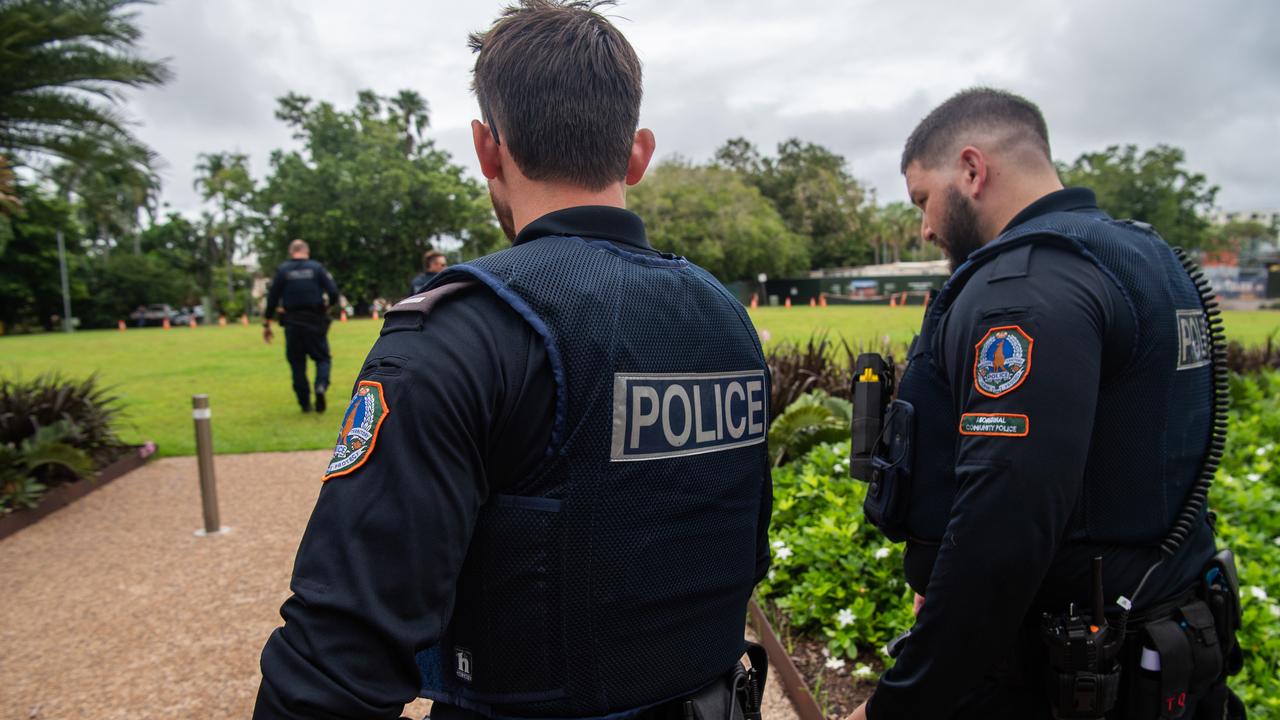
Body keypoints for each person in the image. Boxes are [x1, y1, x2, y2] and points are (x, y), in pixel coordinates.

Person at [253, 3, 773, 719]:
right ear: (637, 154)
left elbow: (340, 651)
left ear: (487, 149)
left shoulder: (462, 332)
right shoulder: (727, 320)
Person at [850, 88, 1240, 719]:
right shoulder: (1144, 256)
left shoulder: (1024, 286)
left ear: (972, 171)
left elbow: (1003, 524)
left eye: (923, 199)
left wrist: (899, 705)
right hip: (1159, 632)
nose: (924, 226)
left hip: (1065, 673)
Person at [263, 239, 341, 414]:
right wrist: (327, 307)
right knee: (322, 358)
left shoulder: (283, 270)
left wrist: (267, 323)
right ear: (307, 251)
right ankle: (320, 385)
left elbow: (272, 298)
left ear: (291, 252)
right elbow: (334, 292)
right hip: (315, 321)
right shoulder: (316, 268)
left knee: (297, 363)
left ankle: (304, 403)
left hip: (292, 323)